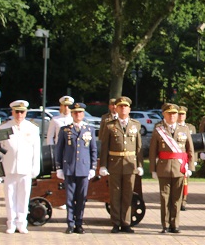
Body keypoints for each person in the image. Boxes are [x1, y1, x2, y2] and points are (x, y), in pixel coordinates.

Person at [98, 96, 143, 233]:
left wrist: (140, 165)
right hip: (115, 164)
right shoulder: (110, 125)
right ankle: (116, 222)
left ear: (129, 109)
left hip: (130, 164)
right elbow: (105, 146)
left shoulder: (136, 125)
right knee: (115, 194)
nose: (123, 109)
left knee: (128, 194)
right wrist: (103, 165)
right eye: (120, 106)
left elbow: (138, 147)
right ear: (116, 109)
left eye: (125, 106)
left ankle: (126, 222)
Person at [149, 103, 194, 233]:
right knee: (164, 198)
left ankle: (175, 224)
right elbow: (153, 151)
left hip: (179, 168)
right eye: (169, 113)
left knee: (177, 198)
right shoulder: (159, 130)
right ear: (164, 114)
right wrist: (153, 169)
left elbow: (190, 149)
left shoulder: (184, 129)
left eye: (174, 113)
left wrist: (190, 167)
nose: (172, 116)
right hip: (164, 168)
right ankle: (165, 224)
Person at [0, 99, 42, 233]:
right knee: (10, 196)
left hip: (25, 167)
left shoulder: (32, 128)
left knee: (24, 196)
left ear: (26, 113)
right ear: (12, 112)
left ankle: (22, 222)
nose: (19, 115)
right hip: (9, 167)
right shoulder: (4, 128)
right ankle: (11, 222)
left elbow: (36, 150)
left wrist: (35, 168)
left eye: (22, 112)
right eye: (17, 112)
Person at [55, 103, 97, 234]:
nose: (77, 114)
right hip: (70, 167)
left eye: (80, 112)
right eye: (75, 112)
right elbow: (59, 150)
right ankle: (70, 224)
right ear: (72, 114)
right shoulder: (65, 130)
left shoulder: (89, 129)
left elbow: (93, 150)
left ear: (83, 114)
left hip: (84, 168)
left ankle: (79, 223)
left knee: (81, 198)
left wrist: (93, 167)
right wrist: (59, 167)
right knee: (69, 198)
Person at [176, 105, 196, 210]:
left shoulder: (190, 128)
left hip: (185, 159)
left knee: (185, 181)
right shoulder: (172, 127)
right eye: (179, 114)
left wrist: (194, 160)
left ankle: (183, 201)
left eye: (183, 114)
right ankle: (177, 201)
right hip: (175, 158)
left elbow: (193, 146)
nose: (181, 116)